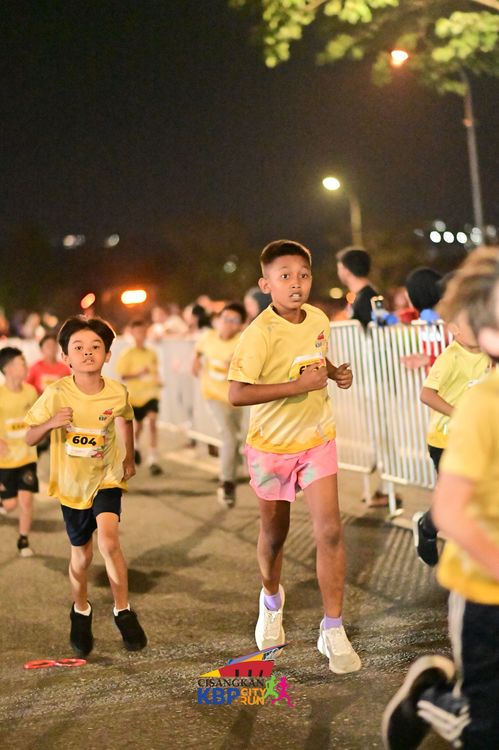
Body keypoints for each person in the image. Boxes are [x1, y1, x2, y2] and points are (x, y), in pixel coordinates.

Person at [382, 246, 499, 750]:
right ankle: (427, 697)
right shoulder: (484, 405)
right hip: (486, 594)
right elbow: (450, 509)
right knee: (485, 729)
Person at [228, 239, 361, 674]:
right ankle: (271, 600)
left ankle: (333, 628)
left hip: (317, 439)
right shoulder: (258, 334)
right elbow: (236, 394)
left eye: (303, 274)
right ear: (266, 284)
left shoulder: (319, 318)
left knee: (331, 532)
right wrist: (297, 387)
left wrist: (334, 373)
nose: (296, 283)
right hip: (270, 449)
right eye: (285, 276)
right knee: (274, 535)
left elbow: (315, 360)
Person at [24, 316, 147, 657]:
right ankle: (80, 610)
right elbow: (30, 436)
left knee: (109, 541)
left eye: (96, 346)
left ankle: (123, 611)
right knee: (82, 557)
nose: (88, 352)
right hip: (71, 485)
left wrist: (129, 457)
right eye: (78, 347)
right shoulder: (56, 393)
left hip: (106, 477)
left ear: (107, 354)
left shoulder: (117, 391)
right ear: (66, 356)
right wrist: (51, 423)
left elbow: (125, 418)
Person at [413, 311, 491, 566]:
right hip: (445, 440)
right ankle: (427, 527)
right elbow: (426, 394)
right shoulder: (450, 358)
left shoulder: (487, 352)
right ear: (454, 329)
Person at [192, 302, 248, 507]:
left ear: (241, 325)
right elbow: (198, 351)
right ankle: (227, 483)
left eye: (233, 320)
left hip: (235, 397)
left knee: (238, 436)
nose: (227, 324)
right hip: (213, 395)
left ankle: (233, 464)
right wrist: (195, 362)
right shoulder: (208, 336)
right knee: (229, 436)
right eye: (225, 318)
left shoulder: (242, 342)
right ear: (218, 320)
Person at [0, 347, 38, 556]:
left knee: (26, 499)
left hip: (27, 456)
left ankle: (23, 539)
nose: (25, 366)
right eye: (21, 363)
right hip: (5, 460)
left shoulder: (30, 391)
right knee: (10, 504)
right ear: (7, 368)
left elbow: (37, 417)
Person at [115, 319, 163, 476]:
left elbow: (154, 372)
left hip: (151, 394)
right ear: (132, 333)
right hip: (134, 396)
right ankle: (135, 448)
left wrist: (158, 381)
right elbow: (122, 375)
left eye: (143, 332)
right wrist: (138, 373)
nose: (140, 335)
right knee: (138, 426)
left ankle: (153, 459)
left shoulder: (152, 353)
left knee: (153, 421)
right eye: (137, 332)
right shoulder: (127, 354)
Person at [336, 246, 379, 328]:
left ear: (346, 271)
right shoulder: (363, 296)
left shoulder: (366, 299)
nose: (338, 272)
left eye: (339, 268)